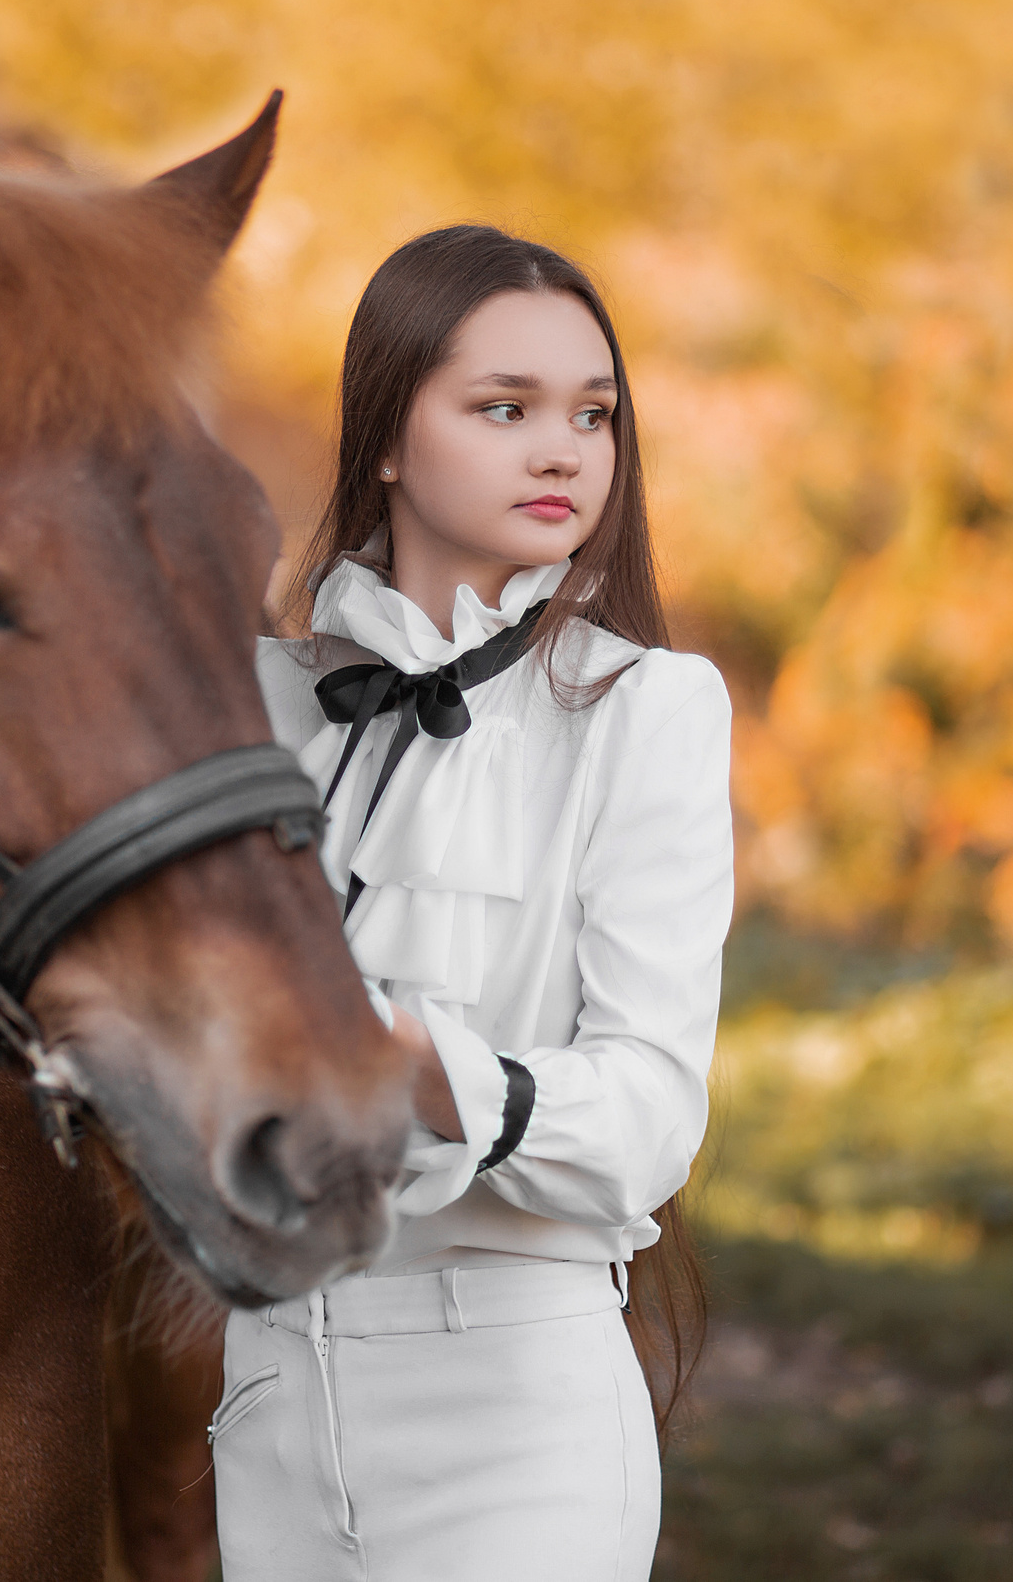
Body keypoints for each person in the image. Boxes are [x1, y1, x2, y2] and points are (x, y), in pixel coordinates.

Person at [217, 224, 735, 1581]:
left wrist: (429, 1072)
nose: (563, 452)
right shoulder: (259, 708)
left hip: (518, 1406)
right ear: (387, 435)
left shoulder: (646, 710)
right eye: (506, 409)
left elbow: (651, 1117)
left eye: (592, 415)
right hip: (270, 1397)